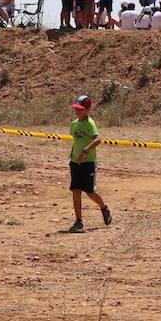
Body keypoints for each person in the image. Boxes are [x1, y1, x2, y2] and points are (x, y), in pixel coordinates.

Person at [67, 96, 112, 233]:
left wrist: (85, 151)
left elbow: (98, 140)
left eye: (81, 109)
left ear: (88, 110)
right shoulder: (74, 123)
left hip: (88, 163)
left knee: (90, 192)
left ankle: (104, 207)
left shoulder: (90, 123)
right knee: (76, 190)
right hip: (75, 162)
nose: (78, 111)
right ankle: (78, 221)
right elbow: (75, 141)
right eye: (77, 109)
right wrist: (72, 155)